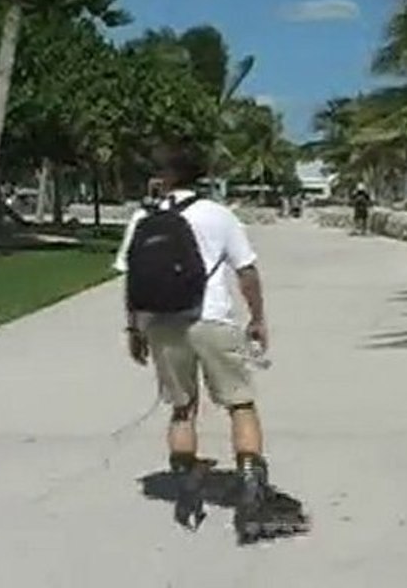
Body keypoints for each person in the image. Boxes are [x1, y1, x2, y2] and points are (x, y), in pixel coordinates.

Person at [112, 141, 306, 543]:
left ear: (163, 177)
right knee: (240, 403)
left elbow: (131, 280)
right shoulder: (219, 215)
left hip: (163, 324)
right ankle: (251, 489)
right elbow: (246, 272)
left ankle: (186, 490)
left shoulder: (141, 218)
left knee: (183, 408)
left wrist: (134, 329)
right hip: (212, 318)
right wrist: (257, 318)